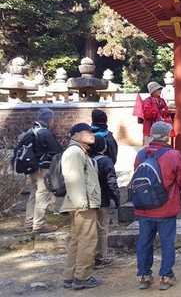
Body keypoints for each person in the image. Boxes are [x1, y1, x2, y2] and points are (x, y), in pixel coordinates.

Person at [135, 121, 181, 291]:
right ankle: (166, 276)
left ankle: (144, 276)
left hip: (144, 206)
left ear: (152, 134)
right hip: (166, 206)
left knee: (144, 241)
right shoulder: (173, 155)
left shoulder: (141, 154)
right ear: (167, 135)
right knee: (167, 241)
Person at [60, 123, 100, 290]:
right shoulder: (75, 152)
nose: (92, 134)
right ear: (75, 135)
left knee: (76, 240)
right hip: (83, 204)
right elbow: (73, 179)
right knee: (87, 240)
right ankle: (82, 277)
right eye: (87, 132)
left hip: (81, 203)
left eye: (92, 132)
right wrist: (82, 203)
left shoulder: (79, 151)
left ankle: (70, 276)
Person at [24, 108, 63, 233]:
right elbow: (56, 151)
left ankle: (29, 222)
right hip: (43, 169)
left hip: (31, 168)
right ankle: (39, 225)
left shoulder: (30, 131)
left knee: (33, 195)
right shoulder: (45, 133)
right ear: (49, 119)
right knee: (42, 195)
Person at [90, 135, 120, 269]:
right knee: (102, 229)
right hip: (102, 200)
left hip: (87, 200)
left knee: (90, 229)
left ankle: (89, 256)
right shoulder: (105, 161)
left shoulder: (86, 159)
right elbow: (111, 182)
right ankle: (101, 256)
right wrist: (116, 198)